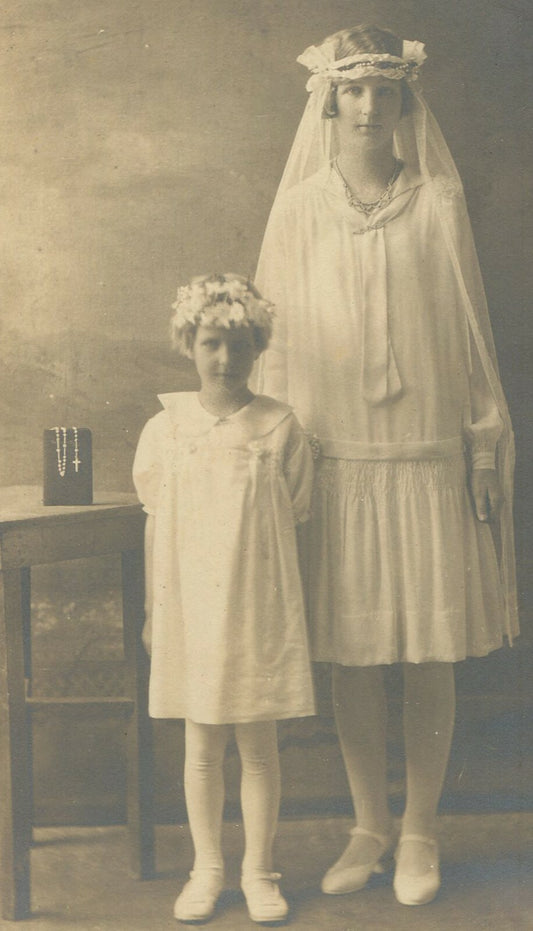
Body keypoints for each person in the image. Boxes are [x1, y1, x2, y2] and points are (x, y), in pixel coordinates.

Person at [255, 24, 518, 907]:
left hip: (424, 455)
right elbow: (278, 348)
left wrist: (483, 436)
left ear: (406, 102)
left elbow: (470, 333)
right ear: (329, 101)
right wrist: (283, 457)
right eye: (353, 92)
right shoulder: (298, 211)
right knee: (355, 656)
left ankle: (420, 829)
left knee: (427, 655)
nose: (368, 108)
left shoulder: (437, 202)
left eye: (384, 92)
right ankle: (369, 823)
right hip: (339, 457)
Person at [133, 273, 316, 924]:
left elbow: (292, 515)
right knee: (202, 745)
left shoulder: (278, 426)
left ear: (258, 347)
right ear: (189, 343)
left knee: (259, 745)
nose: (225, 359)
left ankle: (258, 869)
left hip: (256, 604)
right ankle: (206, 867)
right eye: (212, 343)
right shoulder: (167, 428)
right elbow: (158, 519)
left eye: (240, 346)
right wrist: (157, 611)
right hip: (192, 607)